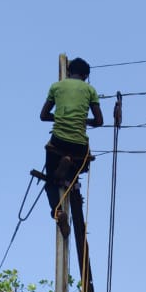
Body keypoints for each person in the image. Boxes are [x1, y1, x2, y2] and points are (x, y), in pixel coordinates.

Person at [40, 57, 103, 237]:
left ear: (68, 72)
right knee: (81, 168)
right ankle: (66, 169)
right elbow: (99, 121)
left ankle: (57, 212)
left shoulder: (56, 86)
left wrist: (60, 118)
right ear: (85, 76)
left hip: (58, 142)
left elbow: (43, 116)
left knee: (50, 182)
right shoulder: (90, 90)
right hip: (79, 146)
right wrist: (84, 121)